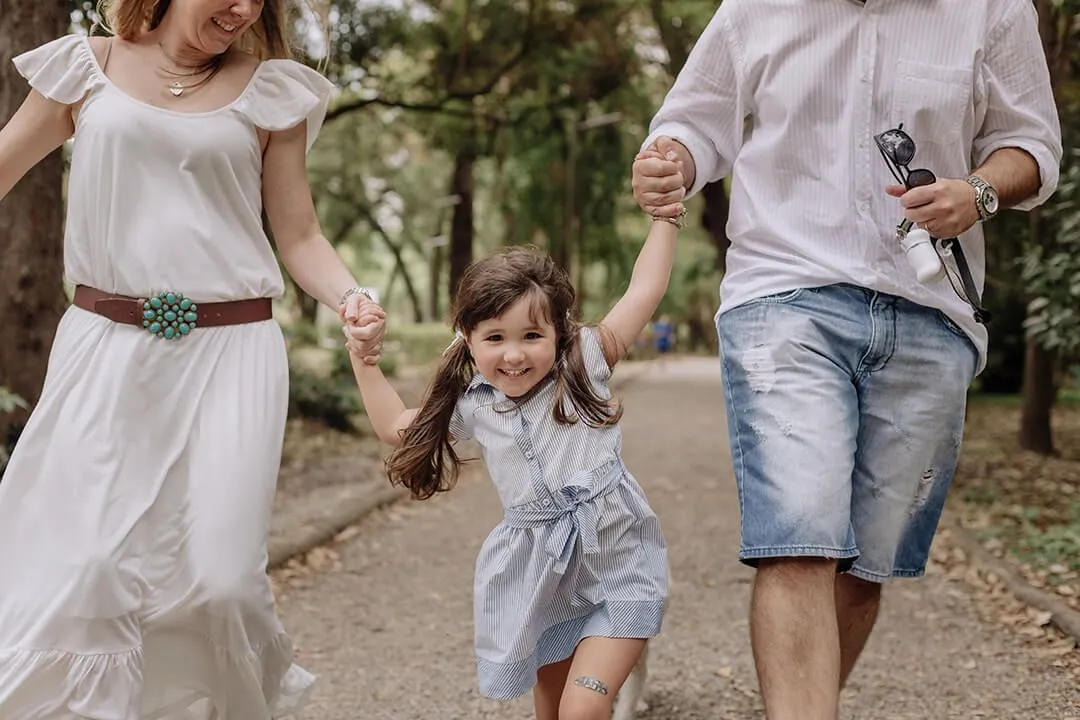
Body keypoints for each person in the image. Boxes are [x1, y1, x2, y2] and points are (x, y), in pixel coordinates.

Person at [631, 1, 1062, 719]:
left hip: (933, 311)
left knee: (865, 567)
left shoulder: (991, 7)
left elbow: (1031, 144)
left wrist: (976, 192)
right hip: (784, 295)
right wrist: (668, 161)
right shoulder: (754, 8)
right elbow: (692, 123)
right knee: (798, 538)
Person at [0, 0, 384, 716]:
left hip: (232, 355)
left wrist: (351, 297)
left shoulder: (274, 90)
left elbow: (298, 235)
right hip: (103, 349)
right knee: (88, 572)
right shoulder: (85, 67)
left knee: (222, 585)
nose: (243, 9)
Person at [342, 171, 681, 720]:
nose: (515, 355)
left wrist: (665, 217)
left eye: (531, 336)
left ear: (558, 333)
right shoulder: (474, 403)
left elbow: (643, 290)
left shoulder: (585, 364)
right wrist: (364, 360)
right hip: (541, 578)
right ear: (469, 341)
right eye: (495, 338)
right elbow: (395, 427)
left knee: (582, 708)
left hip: (620, 560)